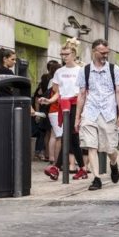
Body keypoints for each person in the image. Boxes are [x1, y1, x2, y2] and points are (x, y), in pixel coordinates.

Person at [74, 39, 119, 191]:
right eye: (102, 53)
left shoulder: (113, 69)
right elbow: (81, 94)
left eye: (106, 53)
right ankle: (96, 178)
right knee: (91, 146)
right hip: (90, 112)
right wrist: (77, 117)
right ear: (94, 51)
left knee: (110, 149)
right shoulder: (85, 70)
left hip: (108, 113)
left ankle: (114, 164)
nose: (105, 55)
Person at [41, 40, 87, 180]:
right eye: (62, 54)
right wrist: (49, 100)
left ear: (73, 54)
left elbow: (84, 91)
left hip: (76, 105)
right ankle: (82, 169)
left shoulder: (81, 70)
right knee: (72, 138)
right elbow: (57, 92)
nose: (63, 57)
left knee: (68, 136)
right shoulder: (59, 72)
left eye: (66, 54)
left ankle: (56, 166)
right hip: (64, 105)